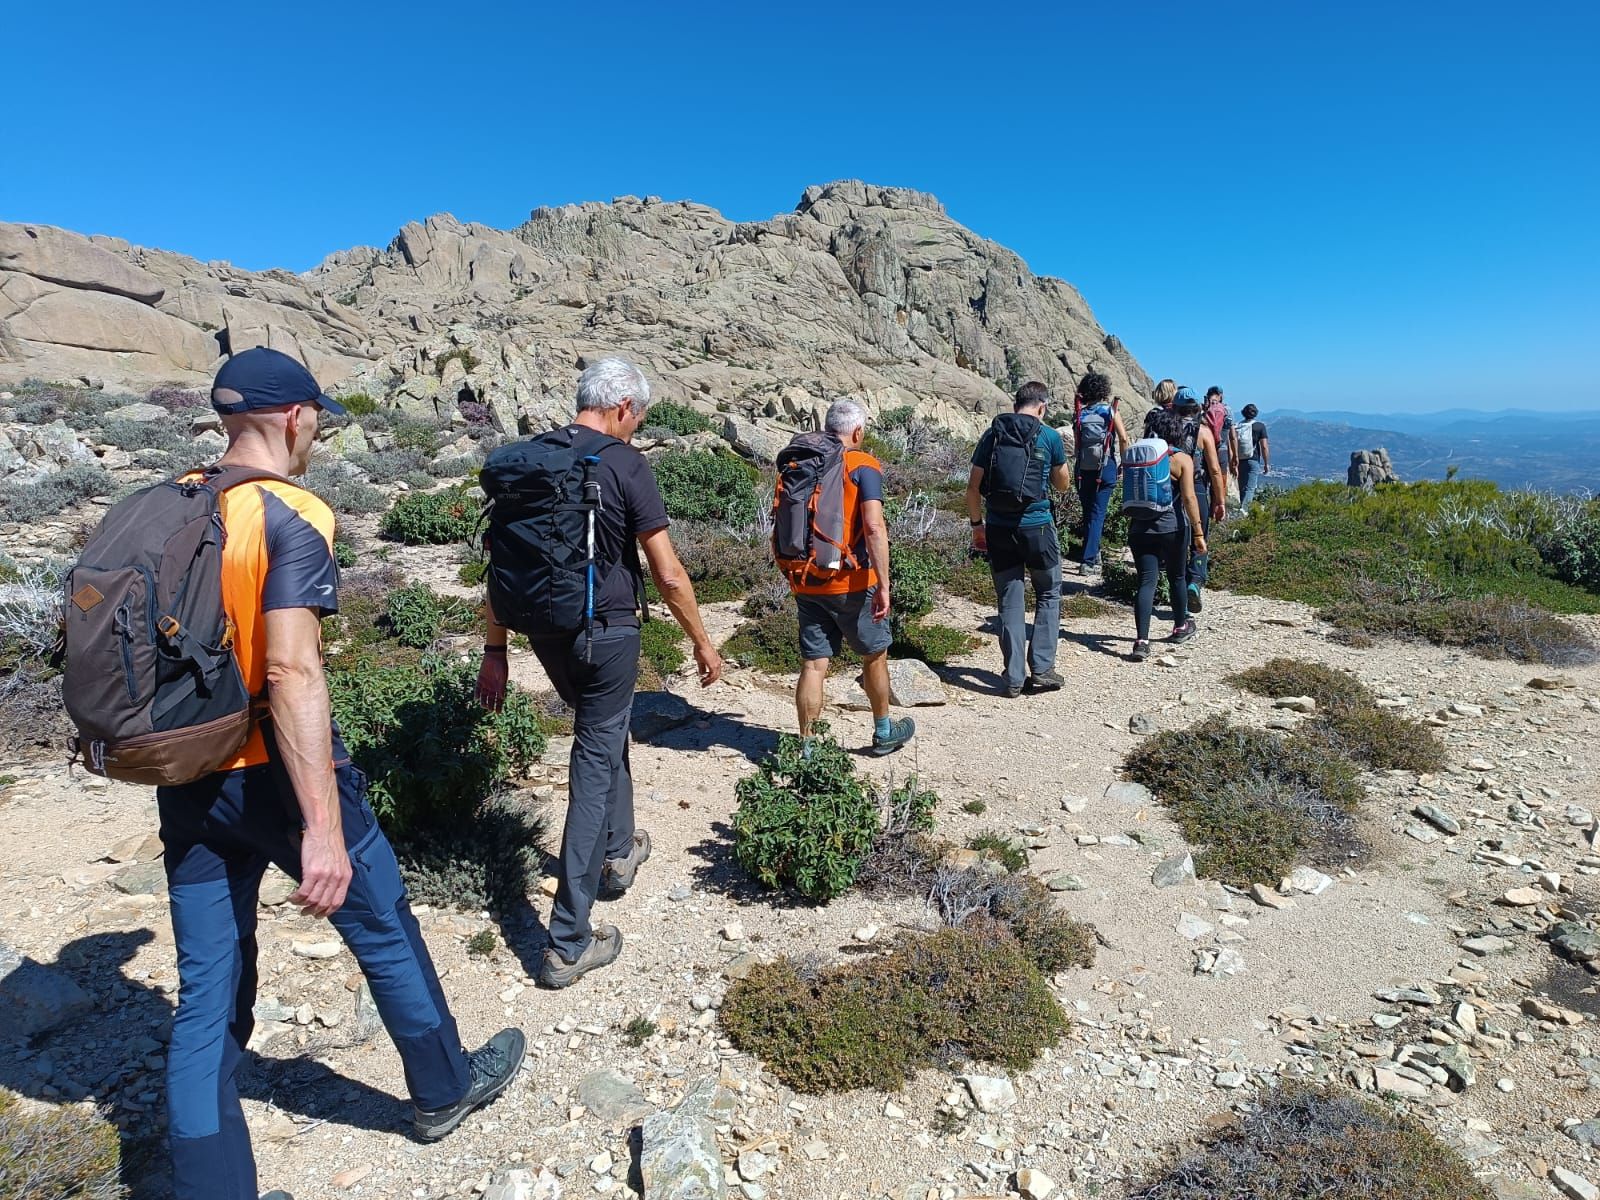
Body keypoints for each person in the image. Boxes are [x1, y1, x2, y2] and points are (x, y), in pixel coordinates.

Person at [154, 348, 524, 1200]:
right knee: (384, 926)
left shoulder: (173, 498)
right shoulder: (289, 510)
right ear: (294, 417)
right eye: (316, 417)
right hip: (279, 773)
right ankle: (443, 1088)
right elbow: (291, 670)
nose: (316, 432)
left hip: (188, 777)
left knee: (206, 993)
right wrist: (320, 825)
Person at [476, 357, 722, 988]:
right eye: (638, 416)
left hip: (542, 628)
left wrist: (496, 651)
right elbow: (667, 573)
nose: (637, 428)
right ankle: (567, 940)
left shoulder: (531, 458)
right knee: (593, 758)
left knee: (605, 733)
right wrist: (702, 641)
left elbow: (498, 564)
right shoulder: (624, 463)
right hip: (606, 631)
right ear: (621, 407)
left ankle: (618, 852)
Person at [783, 399, 915, 754]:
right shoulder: (863, 464)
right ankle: (884, 731)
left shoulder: (803, 462)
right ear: (857, 432)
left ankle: (808, 750)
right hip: (853, 582)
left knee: (814, 665)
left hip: (807, 577)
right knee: (874, 655)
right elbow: (873, 527)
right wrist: (884, 585)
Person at [967, 381, 1073, 697]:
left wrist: (977, 526)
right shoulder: (1050, 436)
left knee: (1010, 600)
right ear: (1042, 407)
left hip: (999, 528)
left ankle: (1013, 678)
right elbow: (1063, 485)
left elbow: (972, 487)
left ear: (1016, 406)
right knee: (1048, 592)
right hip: (1038, 527)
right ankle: (1041, 668)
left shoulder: (993, 434)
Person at [1126, 408, 1207, 660]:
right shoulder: (1180, 458)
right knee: (1177, 577)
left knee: (1146, 581)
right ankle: (1180, 626)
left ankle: (1141, 641)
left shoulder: (1136, 455)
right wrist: (1198, 533)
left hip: (1139, 528)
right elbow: (1189, 498)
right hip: (1172, 527)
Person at [1071, 371, 1130, 576]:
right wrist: (1124, 464)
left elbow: (1077, 442)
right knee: (1097, 515)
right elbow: (1123, 439)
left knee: (1089, 513)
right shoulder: (1109, 411)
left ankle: (1094, 554)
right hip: (1105, 468)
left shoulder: (1079, 413)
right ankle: (1087, 562)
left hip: (1082, 469)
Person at [1173, 386, 1226, 614]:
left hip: (1172, 489)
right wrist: (1220, 500)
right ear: (1198, 408)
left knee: (1178, 541)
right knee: (1199, 538)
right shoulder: (1203, 432)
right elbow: (1214, 470)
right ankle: (1195, 581)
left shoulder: (1168, 429)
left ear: (1175, 408)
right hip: (1197, 489)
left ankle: (1178, 592)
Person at [1235, 403, 1270, 512]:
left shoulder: (1238, 426)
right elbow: (1264, 446)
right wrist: (1266, 463)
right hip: (1252, 460)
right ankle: (1244, 511)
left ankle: (1239, 508)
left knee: (1241, 487)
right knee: (1250, 488)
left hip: (1238, 460)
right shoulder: (1259, 426)